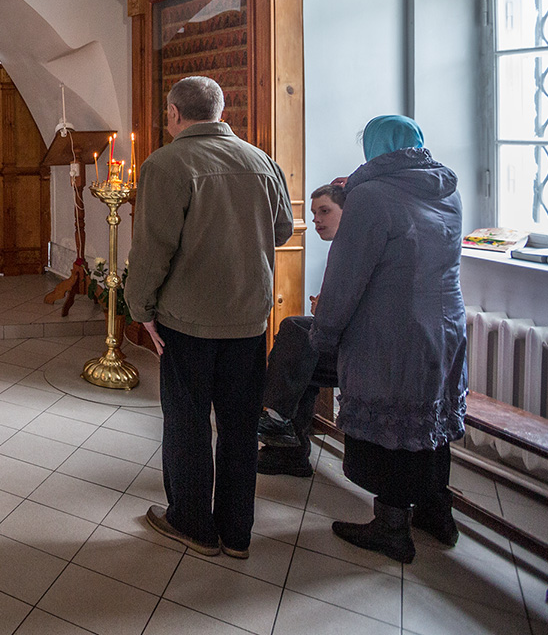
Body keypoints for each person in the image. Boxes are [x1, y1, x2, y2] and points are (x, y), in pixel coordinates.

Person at [124, 76, 292, 560]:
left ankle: (193, 523)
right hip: (248, 318)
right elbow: (280, 229)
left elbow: (152, 249)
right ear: (221, 111)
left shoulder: (167, 163)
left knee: (188, 421)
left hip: (189, 319)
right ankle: (237, 532)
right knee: (241, 427)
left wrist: (141, 311)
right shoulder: (260, 161)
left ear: (175, 113)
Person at [310, 115, 466, 563]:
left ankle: (392, 527)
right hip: (445, 325)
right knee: (428, 420)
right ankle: (437, 512)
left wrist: (325, 332)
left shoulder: (371, 196)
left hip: (391, 330)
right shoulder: (446, 189)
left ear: (375, 149)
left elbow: (346, 277)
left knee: (394, 426)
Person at [257, 182, 346, 478]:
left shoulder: (355, 249)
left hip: (362, 352)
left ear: (346, 212)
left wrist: (326, 309)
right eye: (313, 213)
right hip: (342, 341)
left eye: (325, 211)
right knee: (298, 354)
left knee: (294, 332)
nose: (317, 219)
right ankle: (289, 449)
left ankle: (279, 423)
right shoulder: (344, 247)